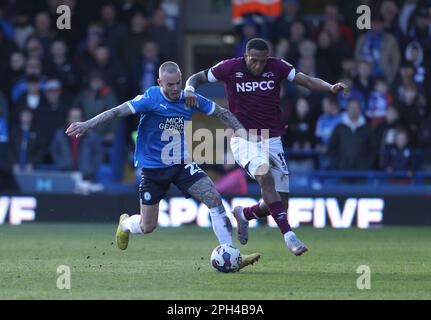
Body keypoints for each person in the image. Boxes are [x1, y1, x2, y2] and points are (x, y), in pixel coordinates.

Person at [66, 61, 260, 270]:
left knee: (213, 198)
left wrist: (244, 133)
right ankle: (125, 224)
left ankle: (230, 253)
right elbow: (116, 112)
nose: (176, 88)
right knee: (147, 226)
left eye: (178, 83)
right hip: (152, 168)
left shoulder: (190, 98)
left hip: (181, 163)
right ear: (160, 83)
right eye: (170, 85)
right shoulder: (150, 99)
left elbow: (223, 113)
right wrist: (87, 124)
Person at [184, 38, 348, 256]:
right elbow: (198, 77)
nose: (259, 66)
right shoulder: (229, 67)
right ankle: (290, 236)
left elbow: (307, 81)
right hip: (243, 138)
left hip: (271, 139)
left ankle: (244, 215)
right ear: (245, 57)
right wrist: (188, 89)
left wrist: (330, 87)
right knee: (265, 176)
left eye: (262, 61)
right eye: (254, 61)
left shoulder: (277, 66)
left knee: (281, 203)